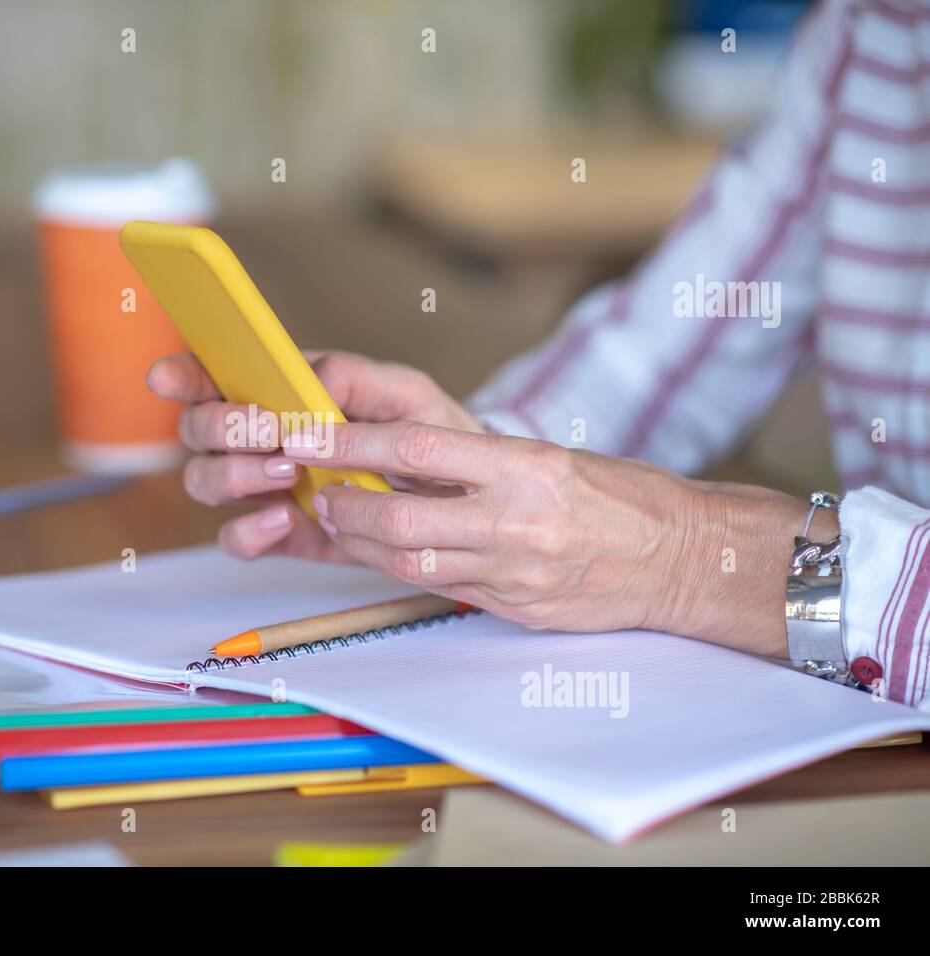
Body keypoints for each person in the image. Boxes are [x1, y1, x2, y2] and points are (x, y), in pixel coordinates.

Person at [147, 0, 930, 710]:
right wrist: (460, 475)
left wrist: (699, 556)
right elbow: (660, 354)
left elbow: (690, 542)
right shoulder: (870, 29)